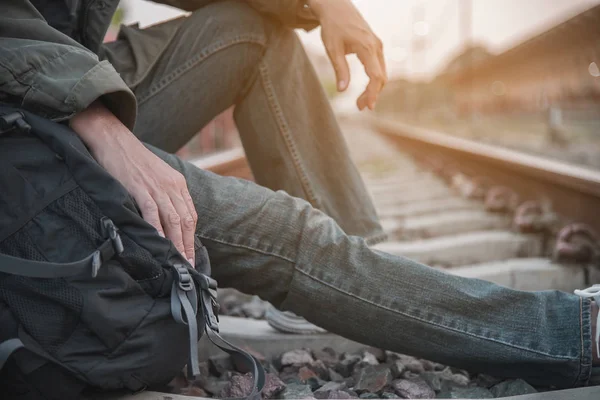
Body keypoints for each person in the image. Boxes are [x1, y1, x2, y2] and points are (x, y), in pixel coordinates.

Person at [1, 0, 598, 390]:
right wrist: (99, 123)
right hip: (25, 133)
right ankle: (568, 332)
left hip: (68, 84)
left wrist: (319, 3)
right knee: (286, 233)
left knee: (257, 32)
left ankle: (353, 269)